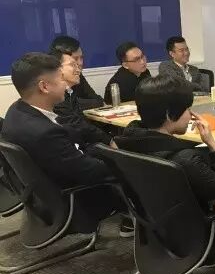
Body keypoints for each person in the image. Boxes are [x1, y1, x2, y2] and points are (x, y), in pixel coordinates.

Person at [115, 75, 215, 265]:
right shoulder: (184, 159)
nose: (191, 115)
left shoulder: (127, 141)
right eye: (187, 109)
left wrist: (210, 192)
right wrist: (212, 145)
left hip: (158, 228)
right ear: (169, 114)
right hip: (196, 235)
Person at [1, 53, 131, 235]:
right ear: (44, 86)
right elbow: (90, 172)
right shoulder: (43, 133)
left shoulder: (18, 110)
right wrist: (126, 164)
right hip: (75, 198)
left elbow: (66, 136)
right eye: (61, 79)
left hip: (45, 189)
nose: (66, 85)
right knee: (137, 168)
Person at [49, 49, 114, 147]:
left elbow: (81, 121)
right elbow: (76, 124)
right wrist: (109, 141)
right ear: (58, 69)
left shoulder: (70, 92)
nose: (78, 70)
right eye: (72, 65)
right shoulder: (55, 97)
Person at [49, 35, 104, 110]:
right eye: (74, 60)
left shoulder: (77, 75)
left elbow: (98, 100)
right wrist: (76, 103)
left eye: (81, 58)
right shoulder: (50, 84)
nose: (80, 63)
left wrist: (76, 103)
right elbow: (64, 106)